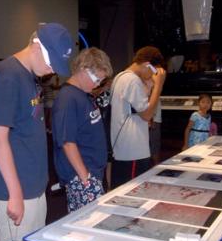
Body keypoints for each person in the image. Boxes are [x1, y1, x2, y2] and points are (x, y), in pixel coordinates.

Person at [0, 23, 74, 241]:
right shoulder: (9, 75)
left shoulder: (29, 76)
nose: (53, 70)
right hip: (16, 190)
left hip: (32, 186)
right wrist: (15, 194)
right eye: (51, 62)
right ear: (36, 46)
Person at [52, 47, 113, 212]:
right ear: (83, 70)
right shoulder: (67, 98)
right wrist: (85, 179)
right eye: (97, 79)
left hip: (92, 173)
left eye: (101, 81)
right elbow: (67, 142)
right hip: (82, 177)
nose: (97, 84)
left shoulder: (82, 94)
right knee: (87, 226)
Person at [110, 46, 166, 187]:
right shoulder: (132, 80)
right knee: (133, 190)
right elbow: (147, 114)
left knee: (122, 188)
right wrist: (158, 86)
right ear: (147, 65)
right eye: (153, 72)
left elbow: (134, 108)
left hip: (124, 146)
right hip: (133, 148)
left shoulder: (120, 76)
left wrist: (147, 89)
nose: (153, 76)